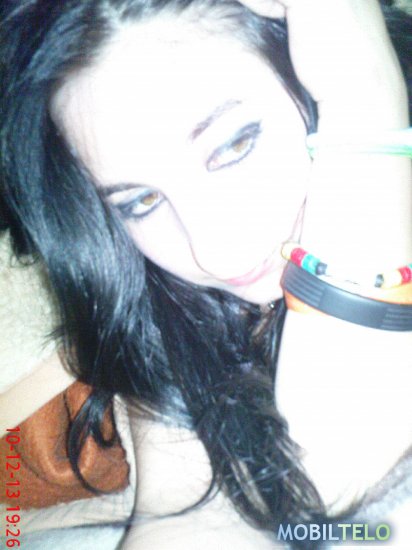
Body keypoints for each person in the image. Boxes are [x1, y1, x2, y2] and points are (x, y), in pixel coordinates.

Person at [1, 0, 411, 548]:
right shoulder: (171, 313)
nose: (218, 254)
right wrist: (365, 101)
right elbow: (211, 516)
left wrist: (361, 95)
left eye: (235, 145)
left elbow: (334, 471)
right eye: (141, 202)